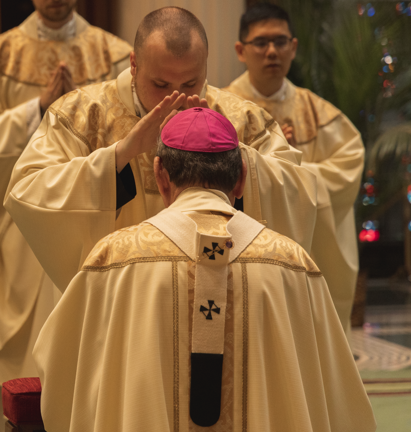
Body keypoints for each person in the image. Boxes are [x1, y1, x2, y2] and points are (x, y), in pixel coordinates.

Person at [34, 108, 376, 432]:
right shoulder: (292, 264)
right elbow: (337, 397)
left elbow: (62, 374)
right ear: (241, 178)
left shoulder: (113, 259)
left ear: (161, 177)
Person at [5, 7, 318, 293]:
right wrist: (118, 156)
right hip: (121, 296)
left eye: (190, 83)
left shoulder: (240, 118)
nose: (176, 98)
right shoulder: (81, 114)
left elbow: (298, 189)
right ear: (134, 63)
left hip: (214, 291)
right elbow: (25, 192)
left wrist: (228, 148)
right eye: (160, 85)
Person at [0, 0, 132, 431]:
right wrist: (36, 110)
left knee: (87, 358)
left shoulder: (115, 55)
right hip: (16, 235)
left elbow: (134, 133)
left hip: (90, 226)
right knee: (15, 363)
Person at [224, 3, 365, 335]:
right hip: (243, 250)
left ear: (294, 47)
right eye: (260, 43)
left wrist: (292, 162)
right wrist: (267, 162)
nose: (271, 51)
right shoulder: (222, 107)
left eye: (280, 41)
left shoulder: (319, 113)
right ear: (241, 51)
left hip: (308, 253)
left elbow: (348, 166)